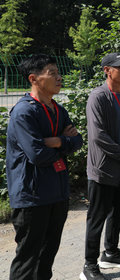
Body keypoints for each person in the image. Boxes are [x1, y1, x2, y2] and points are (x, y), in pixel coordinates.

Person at [6, 54, 83, 280]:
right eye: (52, 73)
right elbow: (37, 154)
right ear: (34, 79)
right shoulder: (24, 112)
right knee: (28, 258)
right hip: (33, 196)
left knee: (47, 254)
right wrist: (63, 142)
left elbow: (77, 141)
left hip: (57, 193)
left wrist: (57, 140)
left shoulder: (58, 110)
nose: (59, 77)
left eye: (58, 73)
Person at [81, 53, 120, 280]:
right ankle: (89, 265)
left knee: (118, 210)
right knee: (97, 217)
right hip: (103, 168)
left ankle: (110, 252)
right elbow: (99, 136)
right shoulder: (98, 97)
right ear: (107, 70)